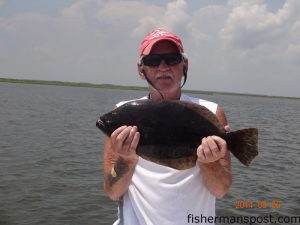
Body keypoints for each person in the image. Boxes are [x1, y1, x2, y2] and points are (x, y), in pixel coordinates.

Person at [103, 28, 232, 225]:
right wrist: (126, 159)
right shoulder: (122, 114)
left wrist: (210, 162)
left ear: (184, 65)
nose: (163, 67)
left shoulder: (211, 112)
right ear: (141, 69)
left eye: (171, 59)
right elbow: (112, 191)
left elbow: (221, 189)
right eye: (153, 61)